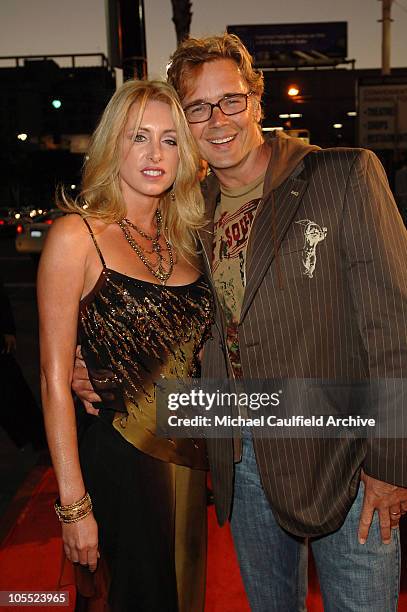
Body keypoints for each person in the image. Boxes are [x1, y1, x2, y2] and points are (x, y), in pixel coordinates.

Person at [74, 35, 407, 611]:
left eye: (229, 100)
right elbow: (166, 323)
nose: (217, 119)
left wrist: (391, 462)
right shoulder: (185, 213)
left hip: (345, 451)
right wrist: (104, 368)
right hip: (238, 451)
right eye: (197, 108)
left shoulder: (343, 175)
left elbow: (392, 327)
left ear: (256, 99)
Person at [38, 79, 213, 612]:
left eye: (169, 139)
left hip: (188, 456)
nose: (155, 154)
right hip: (119, 458)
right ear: (114, 144)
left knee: (184, 596)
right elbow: (53, 379)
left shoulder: (187, 240)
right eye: (140, 137)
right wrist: (74, 506)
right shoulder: (77, 236)